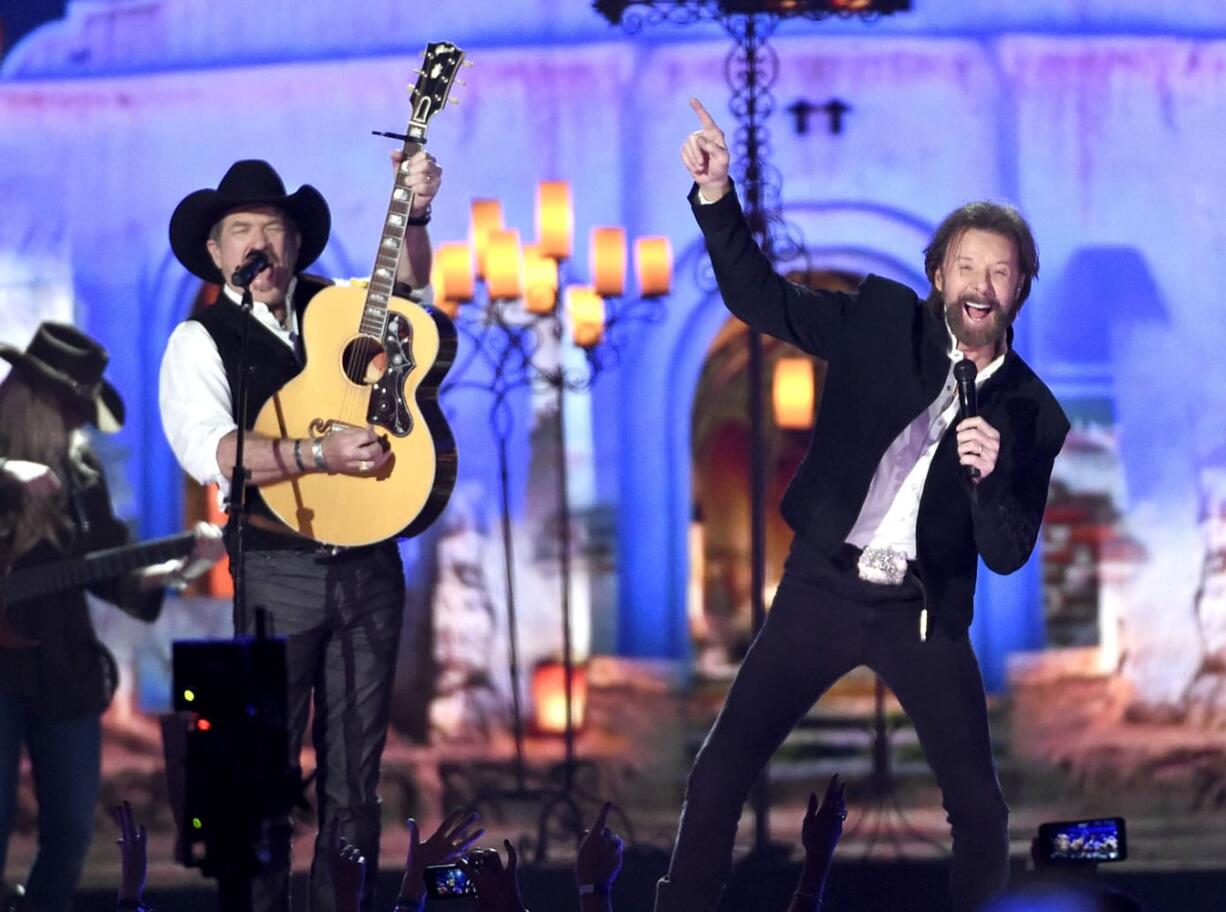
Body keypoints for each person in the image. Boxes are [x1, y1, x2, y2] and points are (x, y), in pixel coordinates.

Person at [657, 99, 1071, 912]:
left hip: (923, 612)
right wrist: (714, 196)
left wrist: (989, 478)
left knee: (980, 809)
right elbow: (759, 299)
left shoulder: (1031, 411)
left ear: (1020, 285)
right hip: (822, 586)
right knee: (719, 772)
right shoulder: (881, 322)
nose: (980, 286)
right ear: (939, 277)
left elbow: (1009, 551)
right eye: (965, 267)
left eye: (999, 271)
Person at [157, 151, 443, 912]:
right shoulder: (199, 340)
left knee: (357, 781)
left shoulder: (334, 308)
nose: (261, 243)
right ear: (216, 252)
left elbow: (411, 295)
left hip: (370, 565)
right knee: (257, 780)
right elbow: (213, 451)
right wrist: (316, 454)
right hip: (273, 570)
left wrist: (413, 214)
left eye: (275, 228)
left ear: (297, 241)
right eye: (242, 229)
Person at [0, 323, 223, 912]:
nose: (75, 423)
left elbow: (112, 575)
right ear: (31, 395)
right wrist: (8, 478)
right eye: (67, 407)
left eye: (80, 411)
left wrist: (180, 570)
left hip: (63, 669)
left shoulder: (81, 478)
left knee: (71, 834)